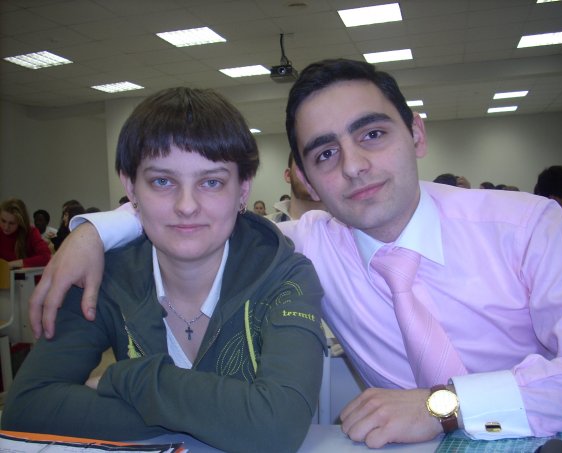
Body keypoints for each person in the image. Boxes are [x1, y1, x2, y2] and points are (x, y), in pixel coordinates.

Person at [28, 60, 562, 447]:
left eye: (372, 134)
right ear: (303, 177)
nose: (353, 166)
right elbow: (203, 215)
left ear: (416, 134)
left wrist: (445, 406)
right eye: (325, 153)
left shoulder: (528, 227)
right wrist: (93, 232)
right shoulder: (304, 245)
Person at [2, 87, 326, 453]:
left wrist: (131, 380)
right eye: (162, 181)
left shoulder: (286, 276)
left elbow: (277, 427)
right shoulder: (101, 274)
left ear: (242, 189)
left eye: (211, 182)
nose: (186, 206)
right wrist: (221, 418)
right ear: (131, 187)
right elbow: (26, 409)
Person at [266, 152, 325, 223]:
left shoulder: (338, 225)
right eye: (303, 161)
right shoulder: (262, 226)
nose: (313, 171)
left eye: (325, 160)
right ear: (288, 175)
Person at [0, 198, 51, 269]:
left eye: (12, 223)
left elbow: (46, 257)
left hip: (24, 275)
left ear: (20, 222)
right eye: (3, 221)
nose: (6, 227)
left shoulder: (31, 232)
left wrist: (10, 264)